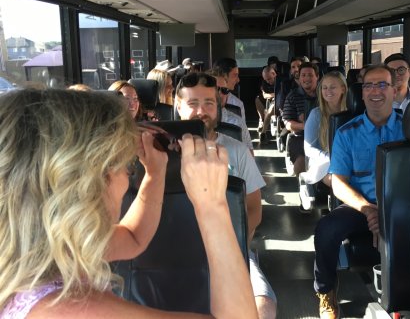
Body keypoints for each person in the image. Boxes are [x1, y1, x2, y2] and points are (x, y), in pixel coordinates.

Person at [0, 89, 257, 318]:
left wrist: (155, 173)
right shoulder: (67, 310)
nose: (126, 176)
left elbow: (133, 238)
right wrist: (211, 204)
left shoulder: (46, 250)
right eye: (124, 164)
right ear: (88, 181)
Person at [176, 72, 277, 319]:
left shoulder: (237, 151)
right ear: (178, 107)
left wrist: (237, 244)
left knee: (263, 306)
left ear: (218, 107)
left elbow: (254, 208)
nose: (201, 111)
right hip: (176, 252)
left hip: (230, 245)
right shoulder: (159, 154)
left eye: (209, 103)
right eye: (192, 104)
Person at [313, 65, 404, 319]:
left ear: (394, 91)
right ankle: (326, 290)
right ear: (361, 94)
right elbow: (338, 182)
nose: (375, 91)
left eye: (382, 85)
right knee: (326, 230)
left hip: (401, 205)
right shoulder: (346, 132)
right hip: (359, 205)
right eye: (368, 86)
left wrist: (385, 212)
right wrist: (368, 210)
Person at [303, 71, 347, 187]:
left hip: (348, 160)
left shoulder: (351, 113)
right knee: (338, 181)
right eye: (325, 88)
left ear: (343, 89)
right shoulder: (316, 114)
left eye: (333, 87)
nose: (328, 91)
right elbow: (309, 149)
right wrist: (330, 157)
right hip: (323, 161)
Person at [282, 62, 319, 175]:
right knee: (301, 164)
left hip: (324, 135)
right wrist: (307, 126)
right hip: (300, 137)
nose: (306, 78)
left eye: (310, 75)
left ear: (317, 77)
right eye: (303, 75)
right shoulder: (292, 96)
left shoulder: (324, 94)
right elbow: (287, 123)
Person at [211, 71, 254, 154]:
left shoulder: (238, 122)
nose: (220, 94)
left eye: (224, 90)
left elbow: (250, 153)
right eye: (216, 89)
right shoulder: (196, 125)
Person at [212, 57, 246, 123]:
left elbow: (243, 131)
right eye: (235, 75)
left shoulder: (237, 104)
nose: (238, 80)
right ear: (223, 75)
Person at [255, 66, 276, 144]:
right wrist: (275, 94)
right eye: (266, 80)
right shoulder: (265, 83)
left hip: (283, 99)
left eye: (269, 79)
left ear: (274, 74)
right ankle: (263, 133)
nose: (268, 81)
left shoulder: (281, 80)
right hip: (272, 100)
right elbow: (265, 95)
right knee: (270, 109)